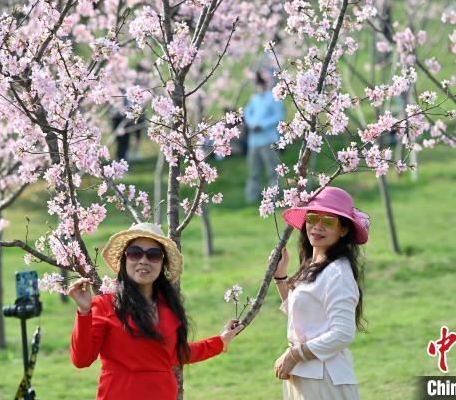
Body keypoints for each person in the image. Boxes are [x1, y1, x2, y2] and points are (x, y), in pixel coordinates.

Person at [68, 222, 243, 400]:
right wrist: (84, 312)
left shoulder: (169, 307)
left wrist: (220, 341)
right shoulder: (104, 305)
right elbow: (81, 360)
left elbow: (174, 354)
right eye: (135, 253)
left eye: (153, 255)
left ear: (162, 263)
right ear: (124, 260)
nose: (143, 260)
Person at [270, 187, 370, 400]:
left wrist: (294, 354)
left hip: (324, 379)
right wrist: (280, 278)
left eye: (329, 221)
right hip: (305, 375)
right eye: (313, 217)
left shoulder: (338, 273)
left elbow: (343, 333)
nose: (318, 226)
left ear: (343, 230)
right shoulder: (315, 264)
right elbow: (306, 318)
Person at [244, 70, 285, 203]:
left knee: (273, 170)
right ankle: (252, 196)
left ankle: (275, 196)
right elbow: (247, 113)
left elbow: (279, 116)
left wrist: (262, 125)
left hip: (269, 139)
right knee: (254, 171)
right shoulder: (254, 98)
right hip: (254, 141)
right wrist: (252, 124)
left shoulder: (274, 98)